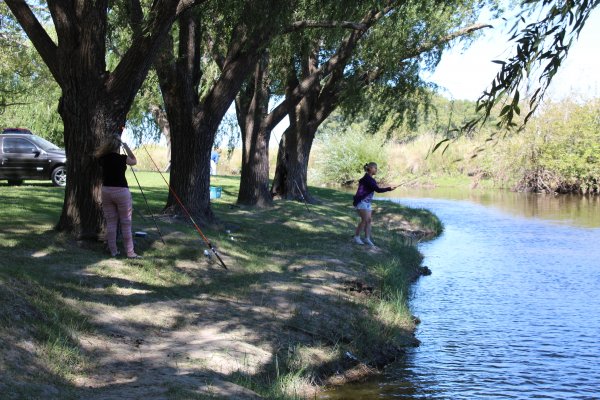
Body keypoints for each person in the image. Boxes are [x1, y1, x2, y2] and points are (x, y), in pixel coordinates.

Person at [94, 132, 141, 259]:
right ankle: (130, 252)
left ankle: (113, 251)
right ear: (118, 146)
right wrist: (125, 145)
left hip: (106, 191)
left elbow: (100, 157)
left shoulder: (102, 159)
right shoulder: (122, 158)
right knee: (126, 223)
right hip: (121, 192)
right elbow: (134, 161)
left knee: (111, 223)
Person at [352, 162, 398, 246]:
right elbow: (378, 190)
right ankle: (356, 237)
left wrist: (389, 189)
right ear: (370, 168)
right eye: (375, 168)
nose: (376, 170)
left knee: (368, 221)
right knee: (365, 220)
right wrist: (389, 188)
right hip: (361, 202)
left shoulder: (370, 179)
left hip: (367, 203)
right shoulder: (367, 179)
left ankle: (367, 238)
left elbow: (375, 188)